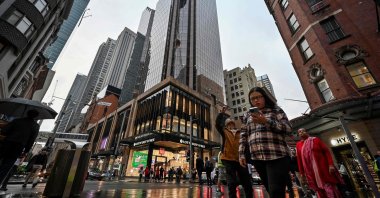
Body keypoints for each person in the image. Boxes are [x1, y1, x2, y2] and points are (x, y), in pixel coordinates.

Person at [239, 86, 292, 197]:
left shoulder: (276, 110)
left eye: (258, 97)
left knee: (276, 191)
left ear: (265, 97)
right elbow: (243, 135)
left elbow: (288, 128)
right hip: (257, 157)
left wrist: (266, 121)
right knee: (270, 189)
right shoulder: (247, 115)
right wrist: (241, 154)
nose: (256, 100)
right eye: (253, 99)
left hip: (277, 155)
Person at [296, 128, 344, 198]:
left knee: (329, 187)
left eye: (303, 131)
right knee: (318, 189)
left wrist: (330, 164)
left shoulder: (315, 140)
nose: (301, 133)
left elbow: (326, 152)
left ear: (307, 132)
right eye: (299, 132)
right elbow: (299, 160)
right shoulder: (298, 145)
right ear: (298, 135)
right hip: (310, 172)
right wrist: (302, 174)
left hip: (323, 168)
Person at [0, 110, 40, 185]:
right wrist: (26, 151)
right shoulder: (35, 126)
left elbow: (4, 131)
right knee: (7, 166)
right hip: (18, 147)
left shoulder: (17, 121)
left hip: (6, 143)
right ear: (36, 117)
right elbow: (31, 140)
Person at [217, 117, 252, 198]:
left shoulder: (240, 132)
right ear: (226, 125)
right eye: (228, 124)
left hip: (240, 158)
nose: (230, 125)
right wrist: (221, 114)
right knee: (231, 182)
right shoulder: (224, 131)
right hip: (228, 158)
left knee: (246, 181)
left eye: (232, 123)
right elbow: (218, 125)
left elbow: (245, 143)